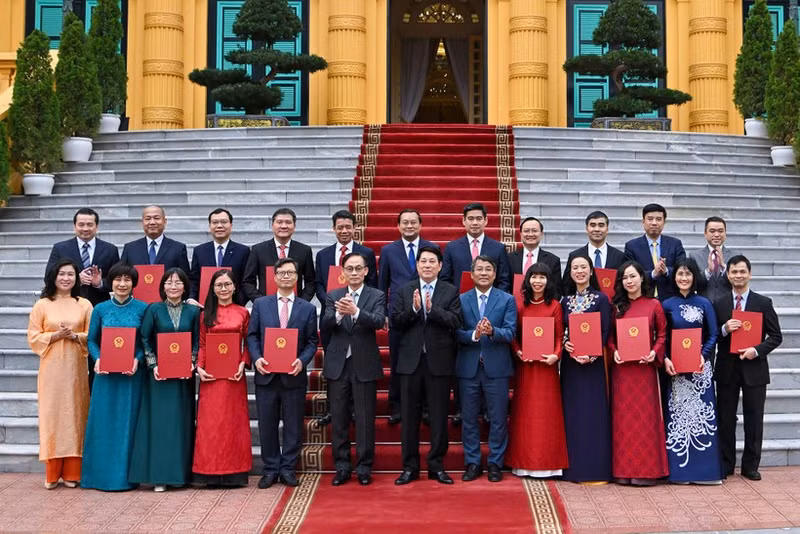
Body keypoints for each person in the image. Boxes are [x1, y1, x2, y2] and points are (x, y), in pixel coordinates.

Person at [391, 246, 461, 485]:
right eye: (423, 261)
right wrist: (414, 310)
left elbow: (455, 322)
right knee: (409, 417)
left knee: (439, 417)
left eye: (432, 261)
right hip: (410, 363)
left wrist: (433, 311)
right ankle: (409, 467)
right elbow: (396, 323)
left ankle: (436, 465)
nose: (428, 265)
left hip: (439, 363)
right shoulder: (404, 290)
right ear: (417, 265)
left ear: (440, 266)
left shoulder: (450, 291)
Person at [248, 258, 319, 489]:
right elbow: (252, 336)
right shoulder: (261, 304)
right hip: (266, 374)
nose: (286, 276)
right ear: (275, 277)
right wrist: (257, 358)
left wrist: (303, 360)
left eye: (291, 272)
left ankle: (288, 468)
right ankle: (270, 470)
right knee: (267, 424)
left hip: (293, 374)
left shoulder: (307, 308)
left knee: (293, 424)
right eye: (282, 273)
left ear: (297, 277)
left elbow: (311, 341)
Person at [129, 268, 199, 491]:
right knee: (160, 425)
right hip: (159, 377)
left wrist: (192, 361)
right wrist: (153, 364)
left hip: (183, 378)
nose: (174, 286)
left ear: (185, 287)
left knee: (181, 423)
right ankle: (159, 476)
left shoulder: (193, 312)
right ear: (163, 287)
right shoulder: (154, 310)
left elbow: (198, 341)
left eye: (178, 283)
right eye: (169, 283)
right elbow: (144, 338)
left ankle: (180, 475)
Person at [714, 255, 783, 481]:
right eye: (734, 272)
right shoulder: (720, 302)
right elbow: (712, 335)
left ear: (750, 274)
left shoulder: (763, 303)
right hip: (727, 368)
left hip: (754, 368)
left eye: (742, 272)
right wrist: (724, 328)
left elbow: (776, 336)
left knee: (754, 418)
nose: (738, 276)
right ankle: (726, 464)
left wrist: (757, 350)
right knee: (726, 418)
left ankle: (750, 465)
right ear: (728, 275)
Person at [82, 262, 149, 491]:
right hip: (105, 375)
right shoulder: (100, 309)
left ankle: (125, 478)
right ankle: (97, 477)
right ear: (110, 281)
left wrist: (137, 359)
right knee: (103, 422)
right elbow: (92, 340)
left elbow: (144, 342)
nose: (122, 284)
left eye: (127, 280)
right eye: (118, 279)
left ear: (133, 283)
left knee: (127, 423)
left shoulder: (143, 308)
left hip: (131, 375)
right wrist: (98, 359)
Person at [321, 252, 386, 486]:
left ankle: (364, 467)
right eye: (350, 268)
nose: (355, 272)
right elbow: (325, 325)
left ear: (366, 271)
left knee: (365, 418)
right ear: (343, 272)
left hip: (364, 363)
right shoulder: (333, 295)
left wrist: (356, 312)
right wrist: (339, 313)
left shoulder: (376, 295)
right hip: (338, 364)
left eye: (359, 268)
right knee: (339, 418)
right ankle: (342, 467)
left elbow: (379, 321)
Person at [27, 258, 93, 489]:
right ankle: (52, 473)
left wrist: (75, 336)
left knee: (75, 415)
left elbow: (92, 335)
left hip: (75, 370)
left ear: (77, 278)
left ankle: (73, 473)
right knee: (52, 416)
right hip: (51, 370)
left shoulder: (84, 304)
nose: (66, 278)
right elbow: (33, 337)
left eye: (71, 274)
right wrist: (56, 335)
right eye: (62, 274)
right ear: (53, 277)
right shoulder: (42, 305)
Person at [455, 255, 516, 483]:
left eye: (488, 269)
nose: (483, 273)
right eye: (478, 269)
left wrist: (492, 332)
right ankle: (472, 462)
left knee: (499, 418)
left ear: (494, 274)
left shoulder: (507, 299)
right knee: (469, 419)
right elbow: (455, 332)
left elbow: (511, 332)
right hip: (468, 368)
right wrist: (474, 335)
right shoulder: (461, 299)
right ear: (471, 275)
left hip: (497, 369)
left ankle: (495, 463)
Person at [608, 260, 669, 486]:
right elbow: (610, 337)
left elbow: (663, 334)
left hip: (645, 372)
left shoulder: (654, 304)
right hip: (623, 371)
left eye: (633, 276)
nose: (629, 281)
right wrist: (613, 352)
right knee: (624, 421)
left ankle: (647, 471)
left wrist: (655, 353)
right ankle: (624, 470)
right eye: (625, 278)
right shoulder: (616, 307)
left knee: (646, 420)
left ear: (642, 278)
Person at [661, 258, 722, 484]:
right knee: (678, 418)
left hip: (699, 370)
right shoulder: (667, 304)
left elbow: (713, 334)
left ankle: (706, 472)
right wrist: (666, 359)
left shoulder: (704, 303)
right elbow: (662, 337)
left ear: (694, 277)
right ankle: (680, 472)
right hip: (676, 371)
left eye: (688, 274)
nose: (684, 278)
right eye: (679, 274)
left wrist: (702, 356)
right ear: (674, 277)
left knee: (702, 416)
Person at [314, 209, 378, 425]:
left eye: (347, 226)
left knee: (356, 363)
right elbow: (319, 284)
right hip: (333, 314)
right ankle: (335, 409)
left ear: (354, 228)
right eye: (339, 227)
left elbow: (373, 283)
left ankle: (353, 408)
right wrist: (331, 303)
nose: (343, 230)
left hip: (359, 314)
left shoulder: (365, 253)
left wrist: (355, 306)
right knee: (335, 362)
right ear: (334, 229)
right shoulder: (323, 254)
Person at [507, 263, 568, 478]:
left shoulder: (555, 306)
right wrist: (518, 351)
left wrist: (556, 355)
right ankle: (522, 462)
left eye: (542, 277)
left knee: (547, 414)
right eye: (534, 277)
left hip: (547, 368)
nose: (538, 281)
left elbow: (559, 336)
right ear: (528, 280)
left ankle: (549, 463)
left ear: (548, 281)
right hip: (526, 366)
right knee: (525, 414)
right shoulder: (519, 305)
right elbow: (513, 334)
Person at [192, 269, 252, 486]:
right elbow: (203, 344)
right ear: (213, 289)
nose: (224, 289)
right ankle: (209, 471)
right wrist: (199, 367)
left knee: (232, 423)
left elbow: (249, 342)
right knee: (211, 424)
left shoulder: (243, 313)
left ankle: (234, 472)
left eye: (227, 284)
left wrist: (243, 364)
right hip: (212, 377)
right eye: (219, 285)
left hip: (234, 377)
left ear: (235, 287)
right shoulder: (205, 314)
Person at [378, 209, 437, 424]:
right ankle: (397, 405)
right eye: (405, 222)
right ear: (398, 226)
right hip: (399, 314)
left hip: (428, 315)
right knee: (397, 362)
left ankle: (425, 407)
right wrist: (383, 311)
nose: (409, 226)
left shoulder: (432, 249)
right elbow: (382, 283)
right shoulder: (388, 250)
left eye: (413, 222)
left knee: (425, 362)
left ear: (421, 225)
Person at [560, 253, 612, 483]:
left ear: (591, 271)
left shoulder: (601, 299)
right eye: (575, 267)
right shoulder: (564, 300)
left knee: (594, 415)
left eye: (583, 267)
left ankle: (596, 468)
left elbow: (605, 331)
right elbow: (561, 330)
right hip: (571, 366)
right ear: (570, 273)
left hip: (594, 365)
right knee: (573, 415)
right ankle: (573, 468)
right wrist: (566, 344)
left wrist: (591, 354)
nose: (579, 271)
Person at [45, 208, 119, 307]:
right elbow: (48, 277)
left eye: (90, 225)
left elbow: (117, 279)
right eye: (81, 225)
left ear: (96, 227)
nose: (85, 229)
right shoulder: (60, 248)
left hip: (99, 307)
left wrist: (99, 283)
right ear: (74, 227)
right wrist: (75, 279)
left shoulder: (110, 250)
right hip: (68, 305)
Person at [242, 208, 315, 303]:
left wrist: (301, 302)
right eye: (279, 222)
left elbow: (311, 282)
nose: (284, 226)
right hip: (266, 306)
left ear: (294, 226)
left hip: (295, 306)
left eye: (288, 222)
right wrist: (260, 302)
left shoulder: (304, 250)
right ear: (272, 225)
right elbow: (248, 281)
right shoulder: (258, 250)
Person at [441, 203, 512, 293]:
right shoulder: (452, 248)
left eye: (479, 219)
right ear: (463, 221)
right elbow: (445, 279)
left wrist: (496, 302)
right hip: (459, 302)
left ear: (486, 221)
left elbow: (504, 280)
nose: (475, 223)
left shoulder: (499, 248)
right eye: (470, 219)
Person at [188, 208, 250, 306]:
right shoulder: (199, 251)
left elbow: (247, 282)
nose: (219, 226)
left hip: (234, 307)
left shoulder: (243, 251)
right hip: (205, 307)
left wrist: (237, 303)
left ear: (231, 225)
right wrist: (191, 299)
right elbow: (194, 280)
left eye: (224, 222)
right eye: (215, 222)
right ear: (210, 226)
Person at [623, 203, 686, 300]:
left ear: (664, 222)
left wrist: (666, 271)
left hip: (671, 299)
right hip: (643, 298)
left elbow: (682, 269)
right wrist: (653, 273)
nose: (654, 223)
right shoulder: (631, 246)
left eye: (658, 219)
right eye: (650, 219)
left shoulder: (675, 244)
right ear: (643, 221)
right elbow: (629, 274)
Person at [120, 206, 191, 274]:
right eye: (148, 219)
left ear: (164, 222)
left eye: (157, 218)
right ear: (142, 222)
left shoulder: (178, 248)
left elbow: (185, 278)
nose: (152, 222)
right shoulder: (130, 249)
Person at [688, 216, 741, 304]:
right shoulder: (694, 256)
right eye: (712, 231)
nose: (716, 235)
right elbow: (693, 284)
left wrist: (724, 268)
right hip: (705, 305)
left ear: (725, 233)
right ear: (705, 233)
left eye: (720, 231)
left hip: (728, 305)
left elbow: (739, 282)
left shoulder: (736, 255)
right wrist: (708, 271)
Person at [508, 217, 561, 296]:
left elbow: (557, 290)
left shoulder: (553, 260)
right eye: (526, 231)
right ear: (520, 234)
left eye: (534, 231)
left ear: (541, 234)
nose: (530, 234)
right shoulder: (509, 258)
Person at [564, 210, 626, 275]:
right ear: (586, 229)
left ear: (607, 229)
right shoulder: (575, 255)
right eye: (593, 225)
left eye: (601, 225)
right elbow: (567, 283)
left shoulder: (619, 256)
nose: (597, 229)